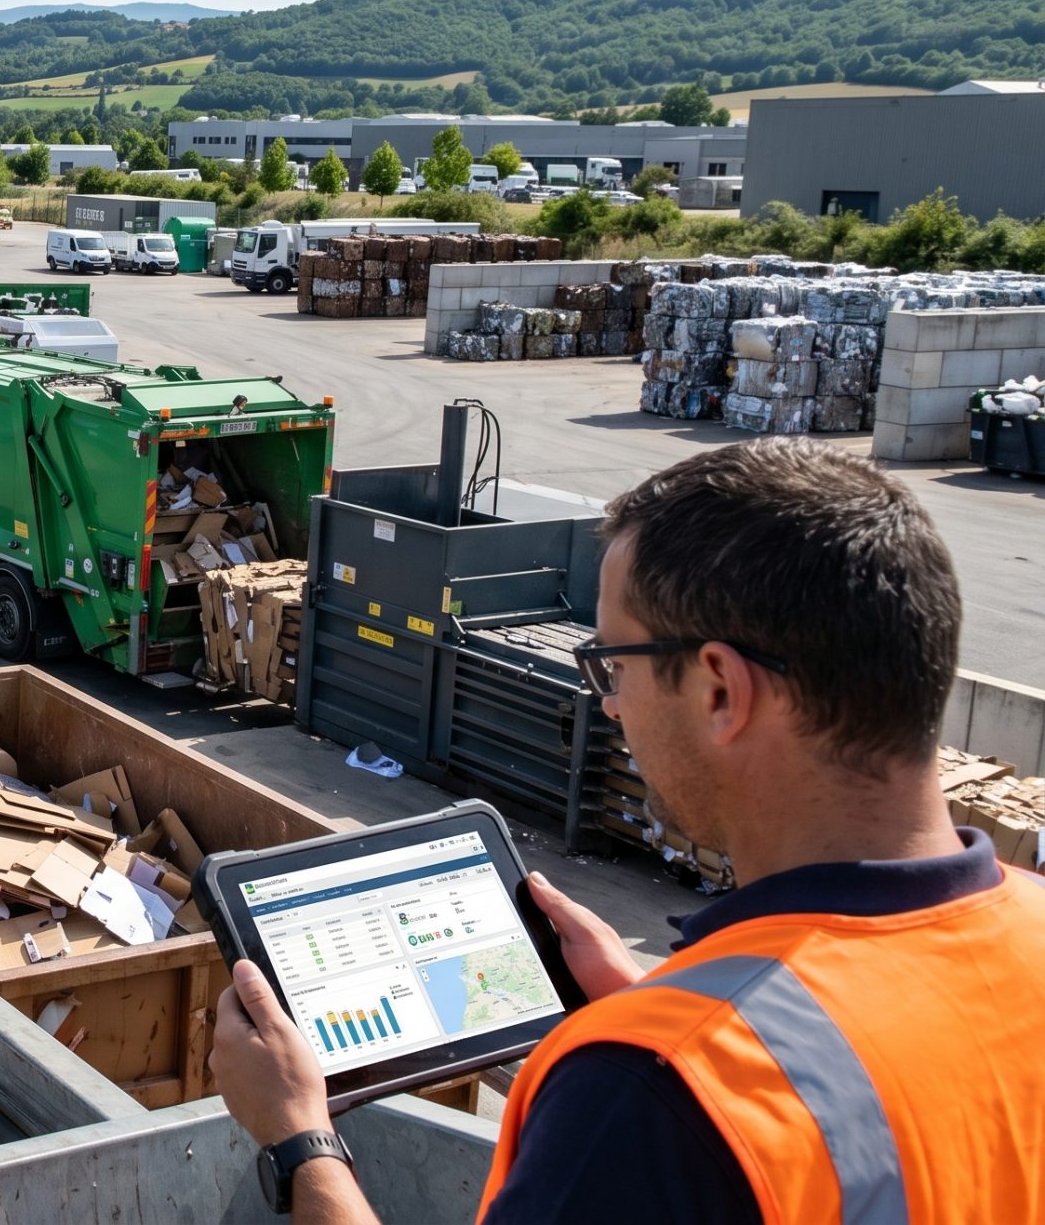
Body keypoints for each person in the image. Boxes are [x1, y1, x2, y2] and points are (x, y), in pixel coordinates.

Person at [209, 438, 1045, 1223]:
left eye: (613, 664)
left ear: (720, 689)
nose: (609, 701)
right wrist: (651, 998)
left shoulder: (648, 1090)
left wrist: (300, 1141)